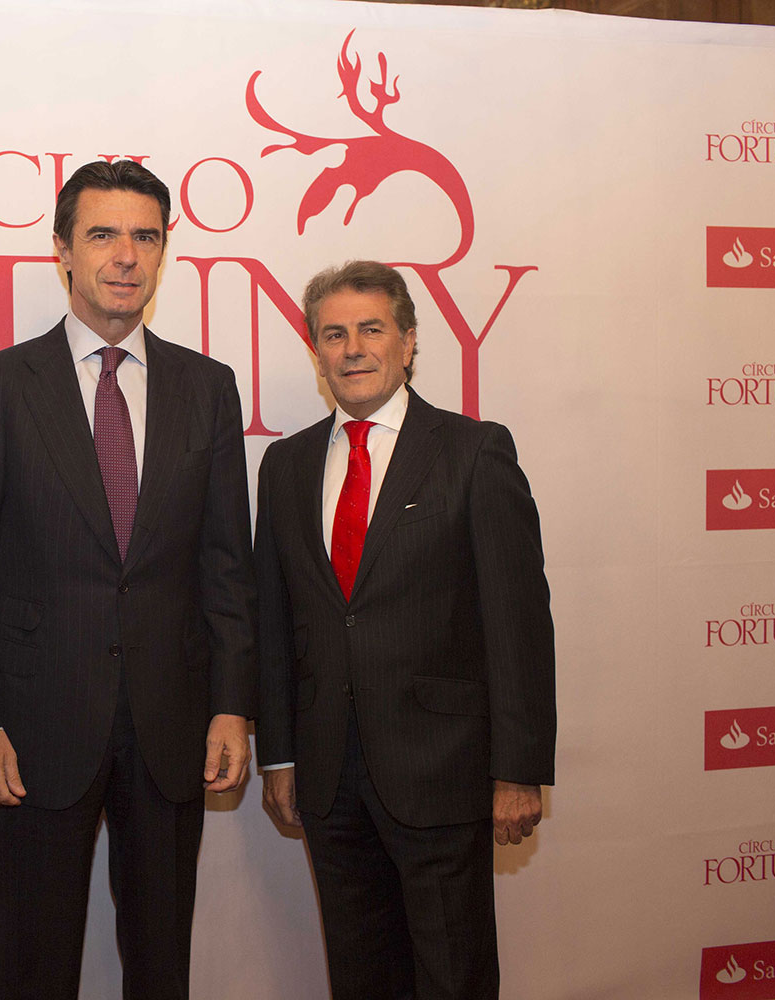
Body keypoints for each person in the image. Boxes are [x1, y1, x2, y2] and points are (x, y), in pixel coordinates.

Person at [0, 159, 258, 1000]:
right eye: (103, 234)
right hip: (33, 732)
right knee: (35, 966)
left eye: (144, 236)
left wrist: (232, 704)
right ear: (62, 252)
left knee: (162, 967)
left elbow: (227, 567)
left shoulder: (209, 388)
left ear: (164, 251)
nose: (125, 255)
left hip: (172, 723)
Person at [256, 260, 556, 999]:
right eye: (334, 334)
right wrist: (281, 756)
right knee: (361, 976)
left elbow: (518, 624)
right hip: (328, 776)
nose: (353, 348)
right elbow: (272, 620)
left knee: (452, 976)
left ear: (409, 341)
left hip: (443, 772)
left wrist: (518, 768)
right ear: (315, 349)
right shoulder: (285, 465)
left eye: (371, 329)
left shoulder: (474, 452)